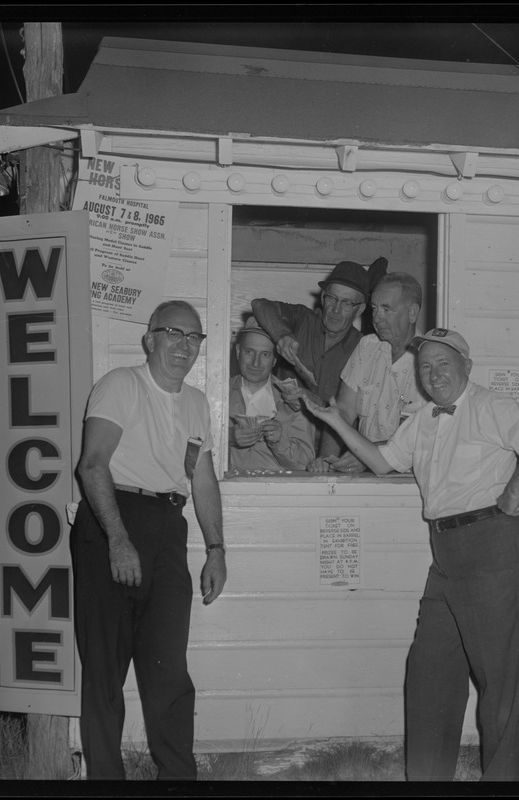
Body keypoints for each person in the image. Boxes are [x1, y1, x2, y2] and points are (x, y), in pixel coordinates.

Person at [304, 327, 519, 781]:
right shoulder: (423, 419)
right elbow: (383, 463)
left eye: (444, 363)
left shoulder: (488, 405)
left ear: (466, 364)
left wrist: (512, 493)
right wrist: (335, 421)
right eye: (425, 366)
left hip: (496, 546)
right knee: (429, 674)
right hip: (446, 554)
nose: (433, 373)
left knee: (501, 685)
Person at [71, 300, 227, 779]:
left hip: (168, 529)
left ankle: (179, 778)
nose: (184, 346)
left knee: (168, 670)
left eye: (194, 338)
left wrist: (217, 550)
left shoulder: (198, 403)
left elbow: (202, 480)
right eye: (174, 334)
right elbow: (92, 465)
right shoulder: (122, 385)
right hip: (113, 520)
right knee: (105, 673)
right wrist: (118, 539)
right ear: (150, 340)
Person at [311, 272, 429, 473]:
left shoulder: (429, 361)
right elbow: (343, 411)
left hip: (408, 482)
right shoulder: (367, 347)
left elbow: (416, 436)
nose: (376, 317)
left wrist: (368, 456)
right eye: (374, 308)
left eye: (386, 309)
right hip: (364, 476)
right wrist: (325, 461)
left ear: (412, 313)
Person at [250, 257, 388, 405]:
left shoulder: (363, 349)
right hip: (279, 426)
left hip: (326, 428)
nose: (336, 309)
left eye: (347, 303)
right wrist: (282, 334)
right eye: (332, 298)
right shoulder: (303, 319)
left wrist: (314, 402)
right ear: (323, 298)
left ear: (360, 309)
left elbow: (351, 413)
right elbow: (260, 305)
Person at [229, 317, 314, 471]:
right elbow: (193, 445)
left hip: (278, 492)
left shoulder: (295, 401)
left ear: (275, 360)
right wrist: (229, 437)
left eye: (265, 355)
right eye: (249, 352)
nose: (256, 363)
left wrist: (279, 442)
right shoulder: (218, 394)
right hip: (228, 491)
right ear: (238, 352)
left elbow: (305, 464)